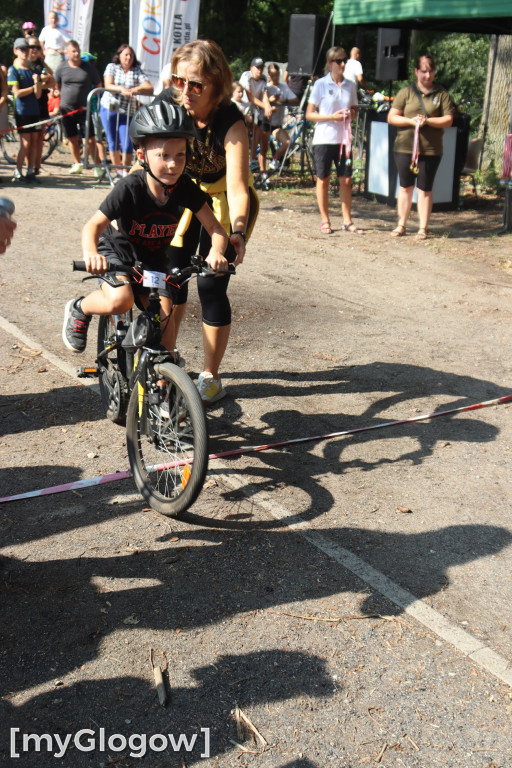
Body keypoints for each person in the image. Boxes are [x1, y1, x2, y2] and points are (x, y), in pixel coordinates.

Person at [62, 102, 229, 357]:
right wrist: (90, 254)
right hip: (117, 251)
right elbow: (92, 226)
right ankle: (81, 307)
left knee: (165, 320)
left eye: (180, 155)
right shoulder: (130, 187)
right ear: (141, 154)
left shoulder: (184, 187)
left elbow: (216, 229)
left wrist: (216, 253)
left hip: (151, 260)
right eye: (164, 155)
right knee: (121, 300)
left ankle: (163, 383)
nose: (173, 164)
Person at [154, 39, 258, 403]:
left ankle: (210, 376)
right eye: (178, 81)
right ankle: (166, 364)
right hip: (182, 195)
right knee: (172, 278)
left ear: (217, 85)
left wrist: (239, 232)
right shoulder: (168, 104)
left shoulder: (230, 121)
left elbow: (238, 187)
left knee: (212, 285)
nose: (185, 91)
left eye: (195, 84)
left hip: (223, 200)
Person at [387, 54, 454, 240]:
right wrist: (410, 121)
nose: (427, 75)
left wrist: (428, 121)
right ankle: (401, 224)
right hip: (404, 148)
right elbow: (392, 117)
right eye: (423, 71)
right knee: (405, 187)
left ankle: (423, 228)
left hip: (430, 150)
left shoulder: (442, 94)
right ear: (416, 71)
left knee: (424, 189)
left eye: (430, 71)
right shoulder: (406, 92)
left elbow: (448, 120)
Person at [306, 46, 363, 235]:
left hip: (343, 139)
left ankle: (347, 220)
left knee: (346, 180)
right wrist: (332, 117)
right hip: (324, 138)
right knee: (323, 178)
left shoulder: (350, 85)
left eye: (344, 60)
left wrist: (350, 114)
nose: (343, 64)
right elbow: (309, 114)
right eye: (339, 61)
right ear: (330, 63)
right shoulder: (320, 84)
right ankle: (325, 219)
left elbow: (354, 110)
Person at [99, 44, 153, 174]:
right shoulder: (112, 67)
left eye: (131, 55)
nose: (128, 58)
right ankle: (118, 171)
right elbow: (108, 84)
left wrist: (136, 89)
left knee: (128, 143)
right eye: (126, 55)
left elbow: (149, 87)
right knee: (113, 141)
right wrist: (121, 89)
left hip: (127, 111)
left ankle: (126, 171)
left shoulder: (136, 70)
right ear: (119, 56)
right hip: (109, 109)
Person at [54, 40, 102, 174]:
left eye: (78, 51)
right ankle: (77, 163)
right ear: (67, 53)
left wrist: (92, 99)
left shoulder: (89, 68)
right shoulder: (62, 68)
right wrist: (57, 93)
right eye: (73, 51)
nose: (76, 54)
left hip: (85, 110)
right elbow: (56, 86)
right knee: (72, 138)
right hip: (66, 108)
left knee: (90, 139)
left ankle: (97, 165)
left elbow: (98, 85)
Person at [7, 38, 42, 183]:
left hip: (35, 110)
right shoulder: (13, 70)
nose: (25, 52)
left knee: (35, 142)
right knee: (25, 143)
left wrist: (37, 83)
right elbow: (17, 93)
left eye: (26, 49)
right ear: (15, 51)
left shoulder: (34, 69)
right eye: (22, 49)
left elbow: (38, 94)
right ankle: (18, 171)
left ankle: (30, 171)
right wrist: (33, 88)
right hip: (22, 111)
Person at [27, 36, 55, 177]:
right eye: (32, 47)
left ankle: (37, 166)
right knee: (29, 138)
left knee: (39, 137)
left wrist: (41, 82)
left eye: (37, 47)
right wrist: (39, 82)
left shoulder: (40, 63)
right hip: (29, 104)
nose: (34, 50)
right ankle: (29, 166)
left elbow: (52, 80)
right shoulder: (24, 63)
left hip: (42, 103)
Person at [262, 63, 298, 171]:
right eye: (273, 75)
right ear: (268, 75)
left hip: (277, 125)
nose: (275, 77)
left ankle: (275, 159)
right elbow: (260, 103)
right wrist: (270, 101)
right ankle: (261, 171)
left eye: (277, 75)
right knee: (263, 150)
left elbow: (295, 100)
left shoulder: (283, 88)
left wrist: (283, 101)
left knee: (287, 143)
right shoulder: (266, 88)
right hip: (265, 124)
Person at [239, 57, 268, 172]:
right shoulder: (246, 76)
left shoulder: (264, 79)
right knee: (245, 132)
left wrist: (268, 106)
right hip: (243, 107)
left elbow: (265, 95)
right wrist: (266, 106)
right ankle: (242, 159)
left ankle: (253, 159)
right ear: (251, 68)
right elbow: (250, 97)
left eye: (261, 68)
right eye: (257, 67)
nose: (259, 70)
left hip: (255, 109)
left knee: (258, 129)